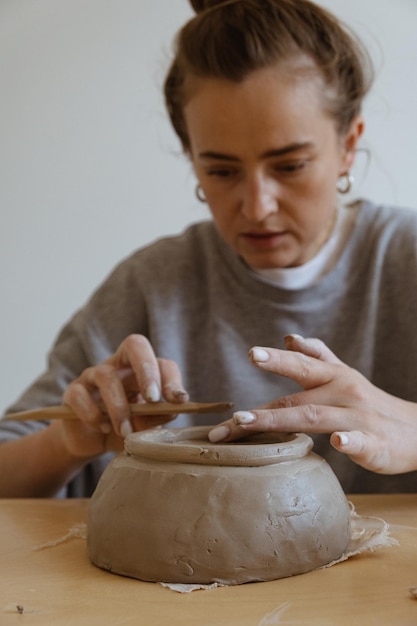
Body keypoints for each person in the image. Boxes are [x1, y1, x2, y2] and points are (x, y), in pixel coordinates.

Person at [1, 0, 417, 497]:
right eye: (221, 171)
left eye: (290, 166)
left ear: (349, 144)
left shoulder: (406, 262)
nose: (258, 207)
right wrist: (69, 442)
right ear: (192, 158)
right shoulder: (152, 285)